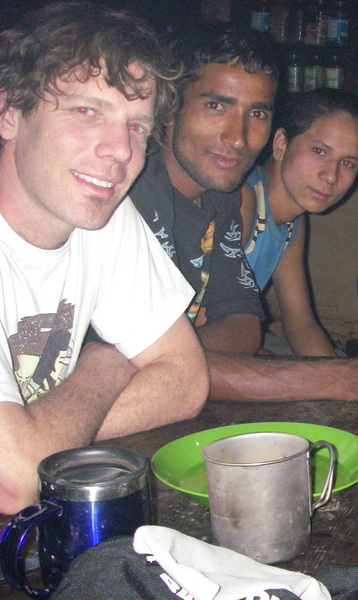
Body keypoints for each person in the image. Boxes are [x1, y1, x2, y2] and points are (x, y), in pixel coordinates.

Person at [130, 24, 358, 406]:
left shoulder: (222, 202)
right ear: (169, 107)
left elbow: (250, 325)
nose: (238, 137)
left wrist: (352, 380)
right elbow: (135, 363)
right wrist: (343, 379)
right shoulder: (137, 194)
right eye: (216, 105)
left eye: (256, 112)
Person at [0, 3, 209, 514]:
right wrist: (105, 364)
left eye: (137, 127)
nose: (120, 150)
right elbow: (16, 481)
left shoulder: (102, 213)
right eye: (86, 110)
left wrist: (41, 429)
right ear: (9, 112)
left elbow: (186, 381)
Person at [241, 88, 358, 358]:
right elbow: (200, 323)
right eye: (319, 151)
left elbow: (300, 326)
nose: (331, 175)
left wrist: (344, 381)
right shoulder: (243, 202)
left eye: (347, 163)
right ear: (281, 144)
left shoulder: (291, 224)